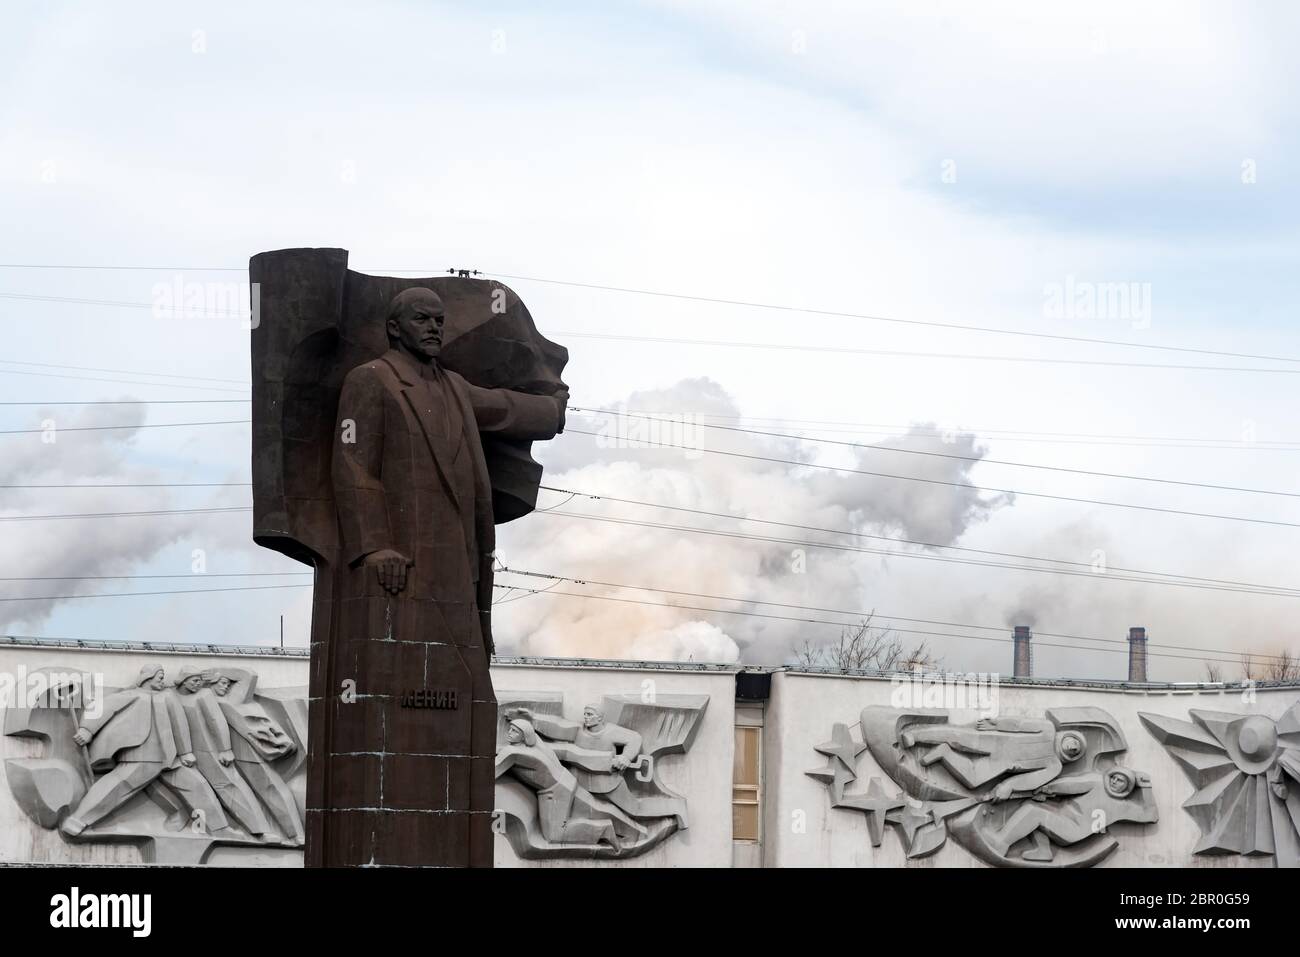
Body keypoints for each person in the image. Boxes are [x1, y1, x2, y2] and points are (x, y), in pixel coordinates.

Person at [62, 665, 228, 837]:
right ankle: (77, 820)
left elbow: (179, 725)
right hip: (139, 755)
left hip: (169, 757)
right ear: (147, 677)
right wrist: (86, 730)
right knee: (115, 787)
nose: (162, 681)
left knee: (197, 786)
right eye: (160, 676)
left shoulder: (168, 697)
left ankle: (221, 829)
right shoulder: (131, 695)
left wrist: (185, 752)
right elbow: (103, 708)